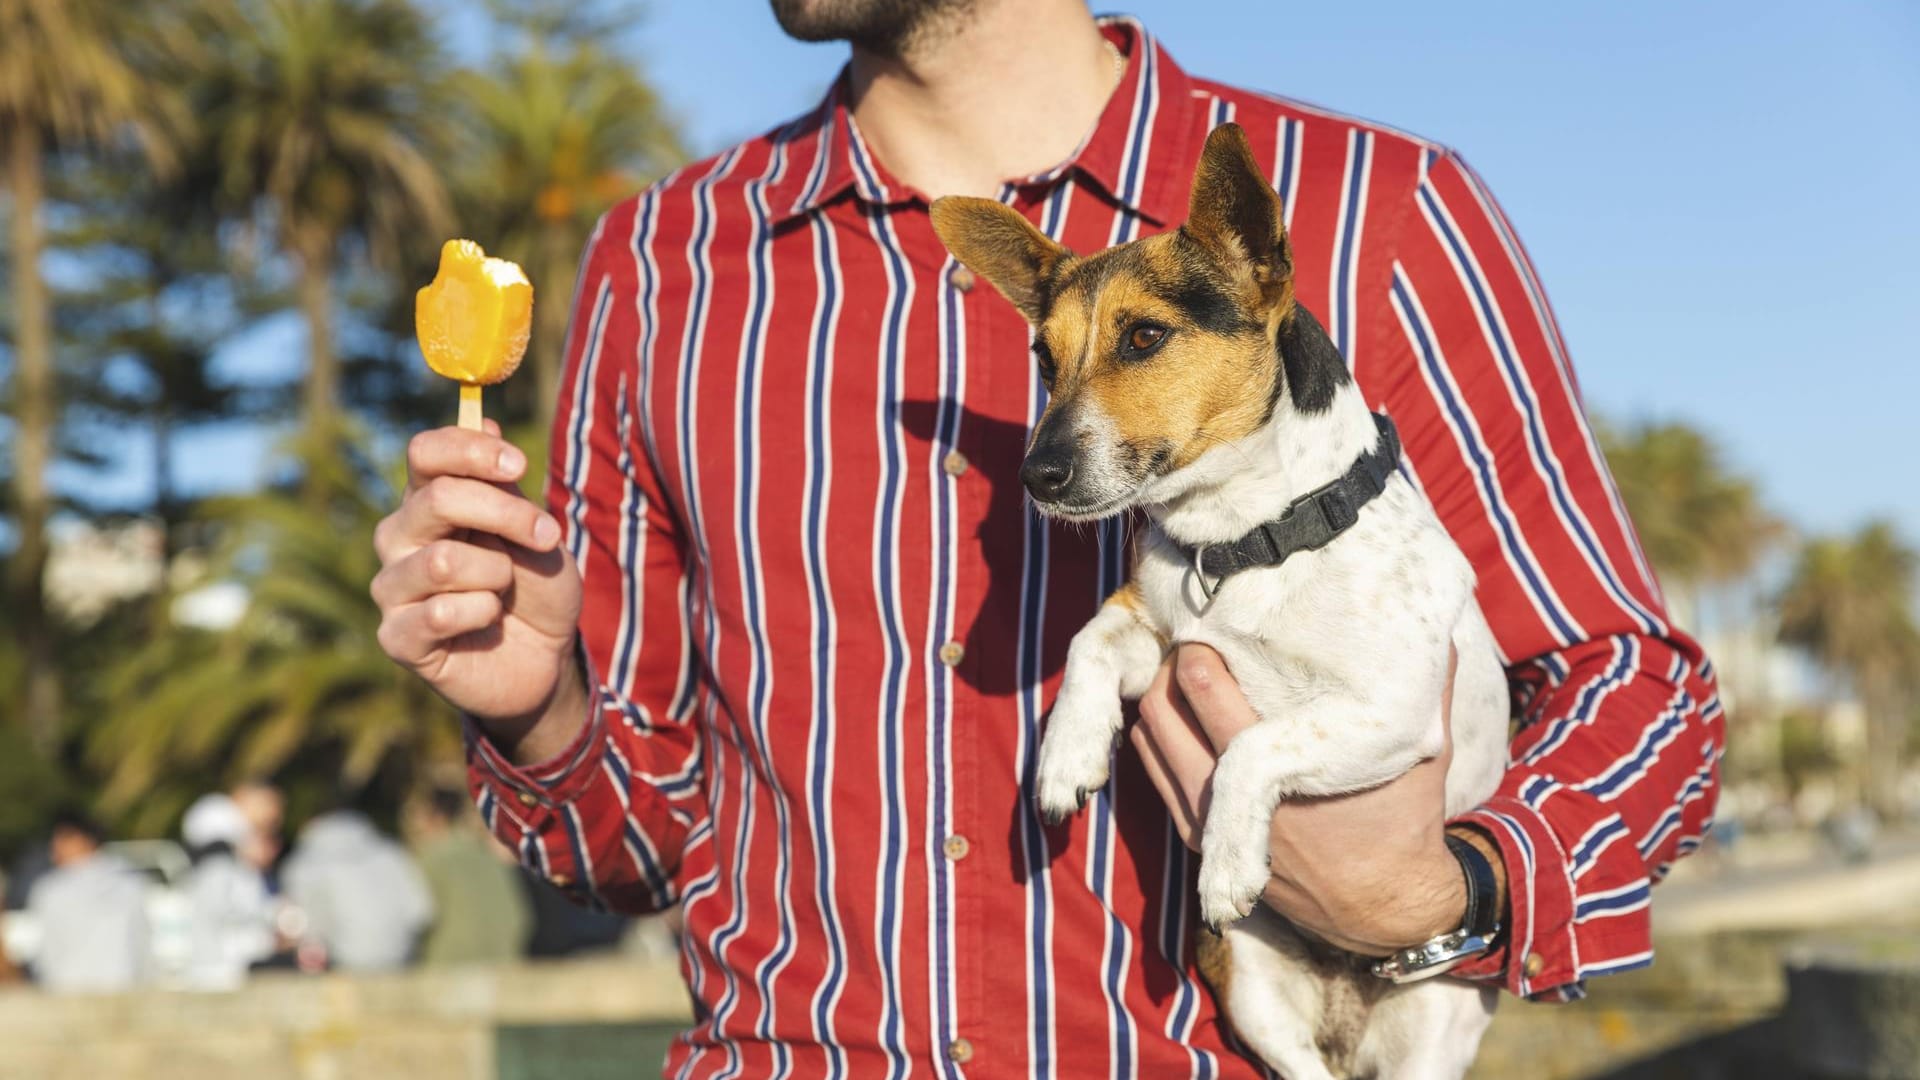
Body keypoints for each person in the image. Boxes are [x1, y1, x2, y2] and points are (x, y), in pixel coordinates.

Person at [370, 1, 1724, 1073]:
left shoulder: (1376, 215)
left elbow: (1636, 692)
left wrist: (1450, 891)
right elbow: (638, 841)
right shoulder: (661, 275)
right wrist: (541, 704)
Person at [280, 800, 432, 972]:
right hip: (399, 961)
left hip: (342, 965)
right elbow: (421, 913)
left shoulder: (307, 861)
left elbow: (299, 927)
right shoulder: (392, 853)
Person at [25, 811, 149, 994]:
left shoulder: (51, 890)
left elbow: (46, 957)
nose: (54, 847)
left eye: (62, 838)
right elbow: (143, 951)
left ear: (85, 840)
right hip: (124, 994)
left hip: (67, 997)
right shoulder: (132, 884)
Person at [408, 786, 532, 967]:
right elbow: (520, 917)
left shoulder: (431, 860)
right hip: (503, 967)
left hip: (450, 969)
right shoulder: (490, 859)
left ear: (435, 818)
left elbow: (413, 919)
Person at [179, 793, 276, 989]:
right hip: (222, 971)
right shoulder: (220, 870)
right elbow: (224, 917)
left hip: (227, 969)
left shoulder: (236, 873)